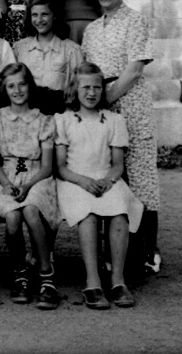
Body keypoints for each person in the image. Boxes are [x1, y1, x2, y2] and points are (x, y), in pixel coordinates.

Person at [82, 0, 160, 276]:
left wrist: (108, 97)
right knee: (109, 174)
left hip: (130, 103)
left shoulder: (136, 20)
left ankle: (147, 252)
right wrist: (96, 102)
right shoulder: (91, 29)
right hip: (101, 107)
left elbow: (135, 69)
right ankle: (114, 254)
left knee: (140, 179)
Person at [55, 62, 143, 309]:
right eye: (86, 87)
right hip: (74, 180)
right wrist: (83, 181)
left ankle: (117, 281)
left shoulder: (113, 120)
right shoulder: (63, 120)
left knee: (120, 213)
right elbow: (60, 167)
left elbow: (118, 165)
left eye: (97, 87)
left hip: (105, 178)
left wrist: (108, 180)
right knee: (88, 214)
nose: (91, 93)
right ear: (75, 89)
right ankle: (92, 281)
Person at [0, 63, 61, 310]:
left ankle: (46, 275)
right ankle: (20, 273)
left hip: (37, 176)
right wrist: (7, 184)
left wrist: (29, 185)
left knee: (31, 211)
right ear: (5, 89)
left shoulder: (43, 120)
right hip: (7, 176)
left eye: (22, 84)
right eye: (11, 86)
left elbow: (47, 166)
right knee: (12, 216)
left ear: (30, 86)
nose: (17, 90)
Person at [14, 0, 83, 115]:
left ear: (55, 15)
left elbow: (77, 90)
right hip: (25, 116)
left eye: (44, 14)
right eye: (34, 15)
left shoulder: (72, 50)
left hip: (58, 115)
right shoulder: (20, 48)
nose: (39, 20)